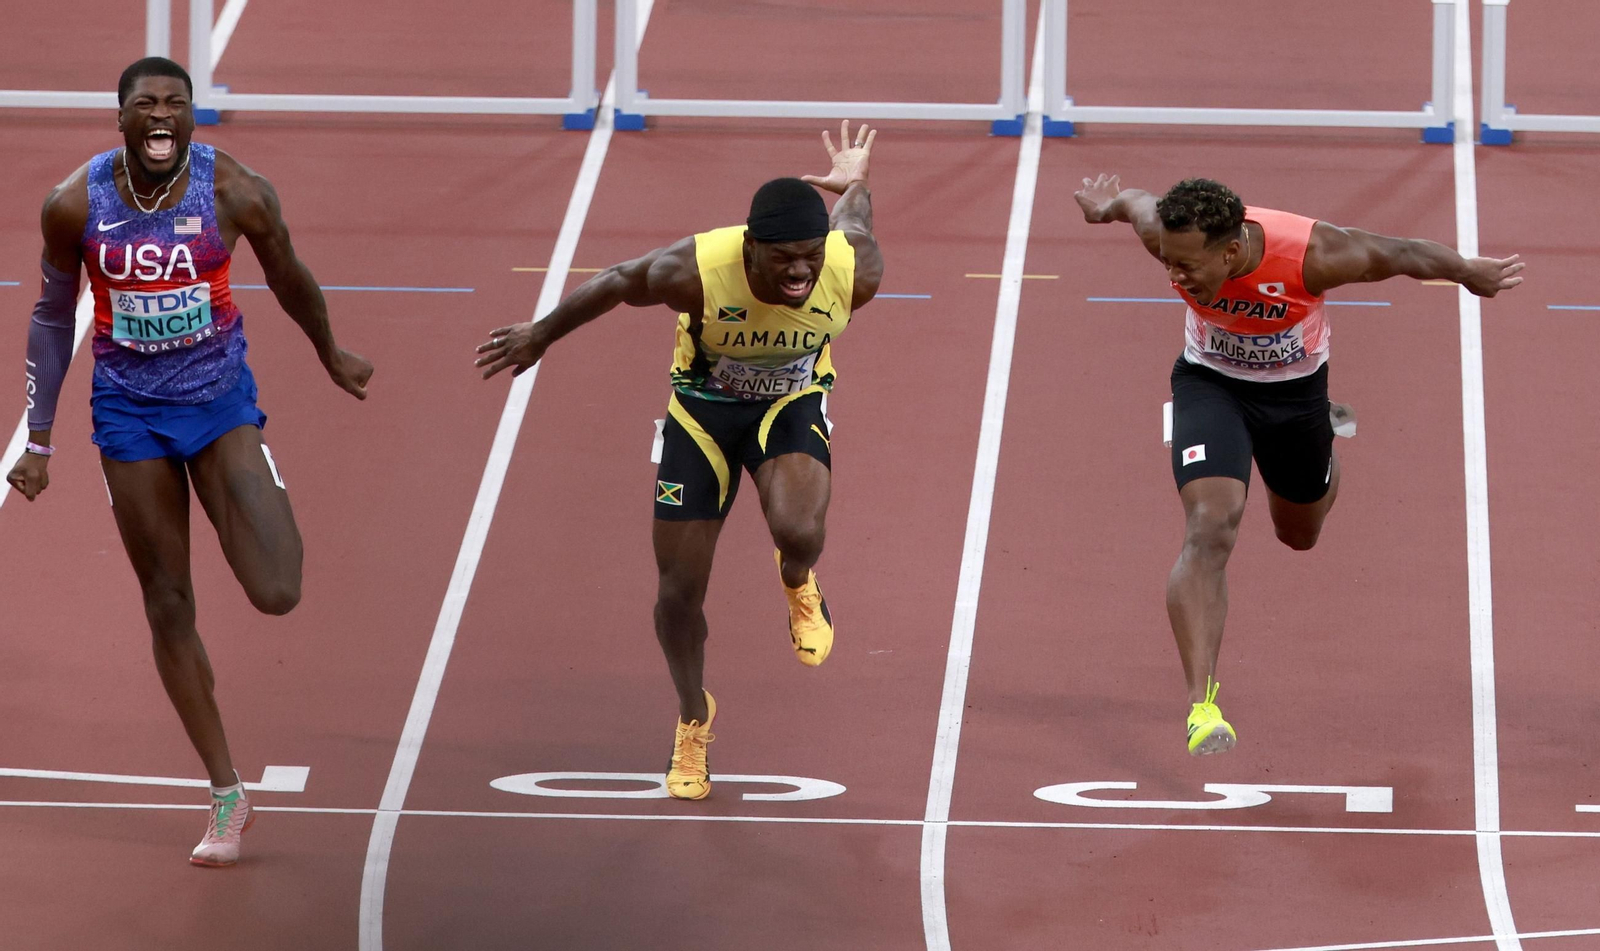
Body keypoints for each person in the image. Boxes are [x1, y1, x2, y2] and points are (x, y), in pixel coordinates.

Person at [6, 57, 372, 864]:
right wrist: (39, 439)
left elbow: (292, 276)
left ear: (192, 118)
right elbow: (48, 316)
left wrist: (331, 355)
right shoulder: (75, 204)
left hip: (217, 401)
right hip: (129, 413)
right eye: (146, 104)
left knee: (278, 589)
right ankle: (227, 793)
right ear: (122, 120)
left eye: (175, 103)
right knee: (168, 600)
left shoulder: (237, 191)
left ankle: (257, 480)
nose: (161, 114)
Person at [476, 122, 883, 799]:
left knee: (799, 531)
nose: (800, 272)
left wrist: (856, 181)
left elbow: (856, 221)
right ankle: (694, 715)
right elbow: (614, 281)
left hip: (790, 402)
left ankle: (799, 581)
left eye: (811, 257)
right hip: (703, 414)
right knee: (676, 595)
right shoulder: (693, 269)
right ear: (750, 249)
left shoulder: (852, 269)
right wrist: (540, 334)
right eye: (784, 259)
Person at [1073, 174, 1522, 756]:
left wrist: (1467, 271)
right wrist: (1104, 208)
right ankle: (1200, 705)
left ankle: (1325, 444)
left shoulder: (1314, 255)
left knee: (1298, 534)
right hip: (1209, 383)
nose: (1173, 276)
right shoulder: (1166, 233)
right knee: (1211, 526)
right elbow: (1135, 203)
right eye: (1167, 262)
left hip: (1294, 396)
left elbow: (1403, 253)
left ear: (1231, 251)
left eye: (1187, 267)